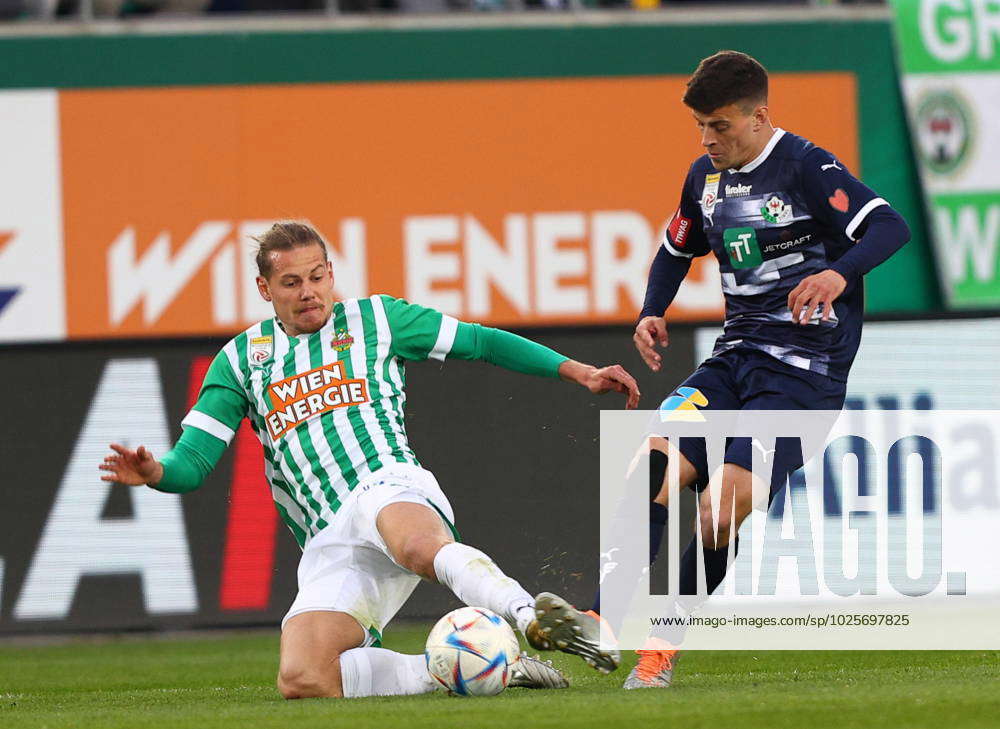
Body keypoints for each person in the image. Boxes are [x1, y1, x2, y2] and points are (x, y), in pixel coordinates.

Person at [100, 221, 639, 699]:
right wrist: (155, 473)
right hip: (329, 536)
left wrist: (577, 371)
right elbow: (194, 461)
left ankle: (532, 618)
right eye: (292, 283)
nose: (309, 293)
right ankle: (487, 667)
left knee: (417, 546)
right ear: (265, 288)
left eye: (317, 276)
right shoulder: (241, 360)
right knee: (305, 678)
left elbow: (479, 341)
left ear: (331, 272)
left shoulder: (379, 319)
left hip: (387, 482)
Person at [594, 50, 911, 689]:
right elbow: (674, 247)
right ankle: (599, 622)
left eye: (720, 127)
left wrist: (837, 271)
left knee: (721, 506)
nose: (709, 140)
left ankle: (660, 648)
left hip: (803, 375)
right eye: (701, 128)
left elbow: (888, 227)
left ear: (759, 117)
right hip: (734, 360)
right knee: (649, 462)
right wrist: (653, 310)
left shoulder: (806, 168)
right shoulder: (704, 179)